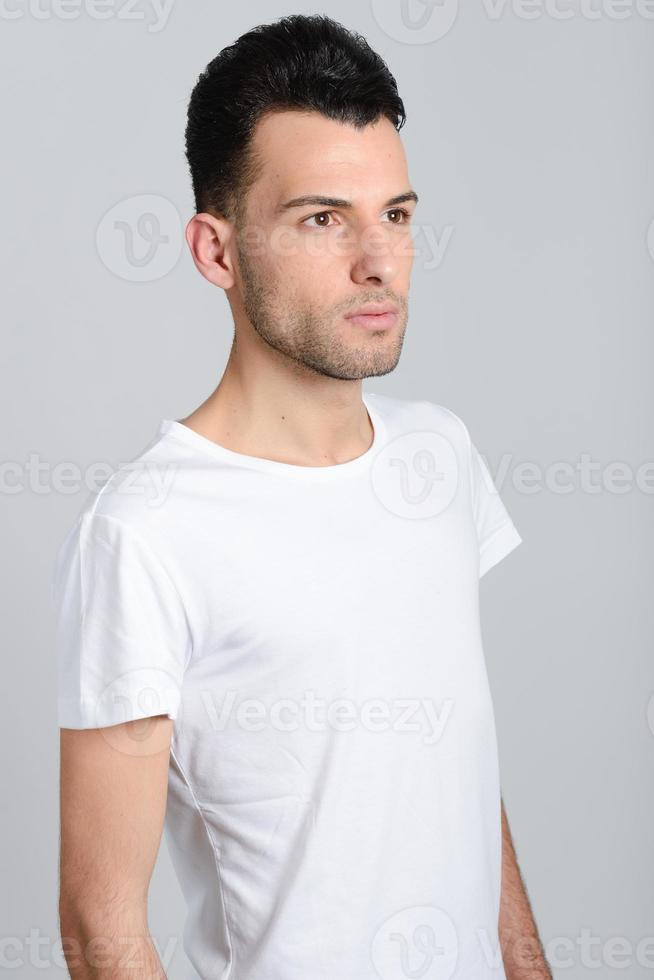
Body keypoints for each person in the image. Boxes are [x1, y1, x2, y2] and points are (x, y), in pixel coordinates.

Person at [53, 13, 551, 980]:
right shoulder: (143, 534)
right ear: (217, 252)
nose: (379, 261)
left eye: (396, 216)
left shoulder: (437, 457)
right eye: (323, 219)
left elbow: (454, 777)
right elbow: (97, 924)